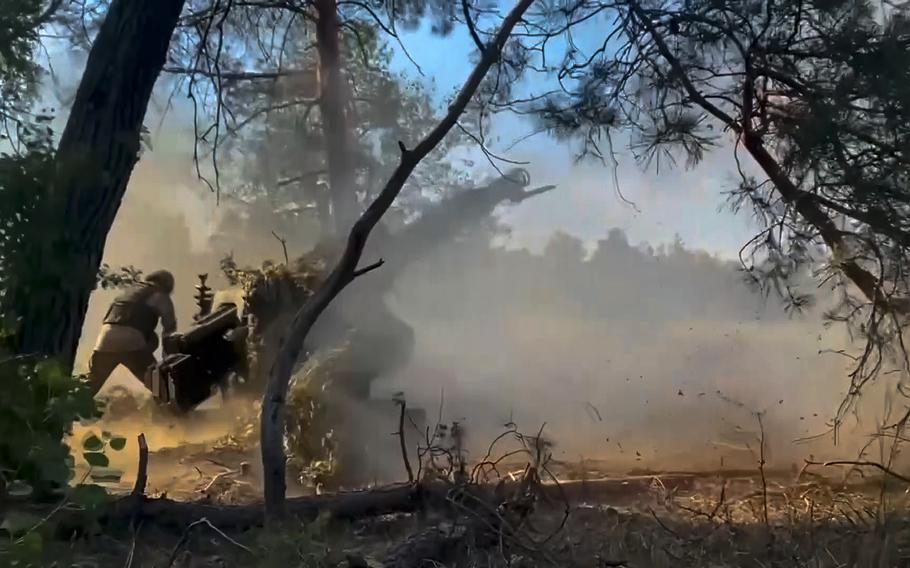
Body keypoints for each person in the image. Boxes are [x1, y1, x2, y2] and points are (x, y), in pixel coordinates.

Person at [88, 270, 177, 395]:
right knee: (162, 387)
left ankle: (63, 410)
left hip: (104, 341)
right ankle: (170, 412)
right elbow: (170, 328)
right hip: (132, 343)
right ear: (166, 285)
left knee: (88, 388)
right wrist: (166, 356)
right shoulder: (160, 294)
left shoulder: (126, 293)